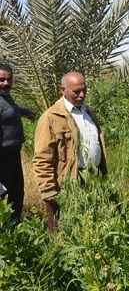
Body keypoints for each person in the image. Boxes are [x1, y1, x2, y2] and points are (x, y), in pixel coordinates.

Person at [33, 72, 108, 232]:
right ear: (63, 90)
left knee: (89, 230)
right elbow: (42, 158)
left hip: (93, 180)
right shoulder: (51, 118)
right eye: (76, 91)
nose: (82, 95)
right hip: (67, 184)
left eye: (84, 90)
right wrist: (48, 190)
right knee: (63, 232)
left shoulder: (88, 113)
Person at [0, 64, 36, 224]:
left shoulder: (5, 97)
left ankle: (15, 228)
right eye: (1, 79)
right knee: (4, 196)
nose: (6, 83)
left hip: (14, 155)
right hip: (3, 158)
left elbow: (12, 109)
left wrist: (26, 111)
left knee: (17, 193)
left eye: (9, 79)